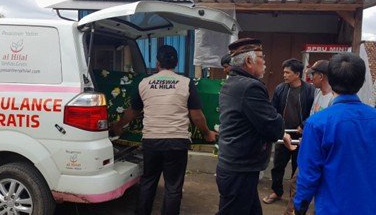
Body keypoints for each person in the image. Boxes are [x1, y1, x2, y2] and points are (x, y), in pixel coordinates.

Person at [110, 45, 217, 215]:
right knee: (173, 188)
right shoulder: (186, 83)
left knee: (148, 182)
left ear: (158, 63)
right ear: (176, 62)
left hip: (151, 142)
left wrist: (117, 125)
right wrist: (207, 133)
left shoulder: (144, 83)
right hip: (177, 142)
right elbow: (196, 116)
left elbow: (133, 111)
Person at [294, 52, 376, 215]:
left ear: (330, 79)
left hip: (334, 208)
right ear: (362, 81)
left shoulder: (318, 124)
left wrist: (300, 206)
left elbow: (308, 174)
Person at [216, 38, 284, 215]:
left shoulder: (232, 82)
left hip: (236, 165)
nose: (265, 62)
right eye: (261, 57)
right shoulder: (250, 87)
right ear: (249, 61)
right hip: (240, 169)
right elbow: (274, 127)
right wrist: (277, 117)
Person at [284, 59, 334, 214]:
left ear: (322, 76)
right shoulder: (318, 93)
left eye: (313, 74)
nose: (311, 77)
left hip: (321, 153)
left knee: (313, 187)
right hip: (309, 149)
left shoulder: (333, 99)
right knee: (296, 183)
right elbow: (313, 116)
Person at [263, 58, 315, 204]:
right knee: (278, 165)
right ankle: (276, 192)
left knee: (297, 167)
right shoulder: (281, 88)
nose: (284, 75)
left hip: (300, 135)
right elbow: (273, 109)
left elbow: (313, 111)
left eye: (287, 72)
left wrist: (304, 125)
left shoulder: (309, 90)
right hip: (283, 133)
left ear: (297, 74)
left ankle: (295, 197)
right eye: (284, 72)